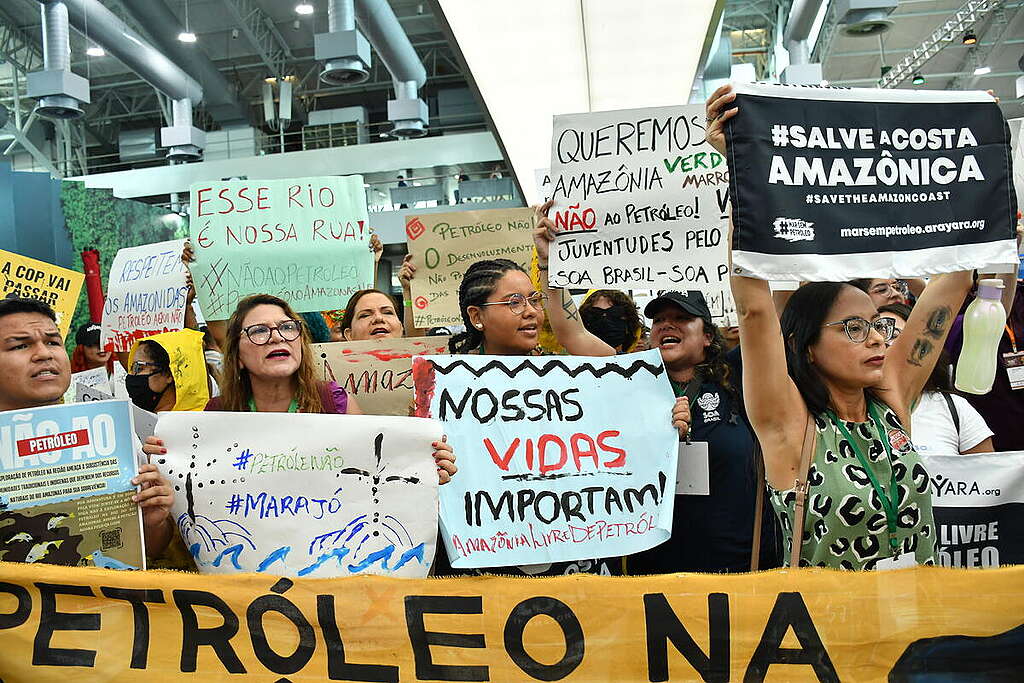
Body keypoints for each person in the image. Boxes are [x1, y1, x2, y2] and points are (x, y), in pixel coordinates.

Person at [708, 82, 973, 569]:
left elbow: (953, 285)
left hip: (922, 628)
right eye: (852, 328)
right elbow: (755, 309)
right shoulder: (788, 423)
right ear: (807, 347)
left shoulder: (891, 403)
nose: (876, 337)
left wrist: (970, 140)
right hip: (832, 638)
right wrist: (740, 169)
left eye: (875, 324)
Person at [0, 297, 175, 559]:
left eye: (52, 342)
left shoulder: (116, 438)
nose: (44, 353)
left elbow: (148, 550)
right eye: (21, 345)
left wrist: (153, 521)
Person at [626, 291, 780, 573]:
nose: (667, 325)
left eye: (682, 318)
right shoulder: (630, 387)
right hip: (655, 572)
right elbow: (574, 337)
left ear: (708, 336)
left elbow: (764, 316)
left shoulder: (737, 376)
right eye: (659, 320)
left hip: (739, 567)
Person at [879, 303, 994, 455]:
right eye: (876, 334)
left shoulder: (954, 407)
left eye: (893, 335)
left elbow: (987, 473)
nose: (882, 343)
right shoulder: (850, 412)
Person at [125, 329, 211, 413]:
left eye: (139, 368)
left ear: (169, 374)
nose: (132, 376)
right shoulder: (139, 421)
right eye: (132, 368)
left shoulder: (201, 423)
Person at [578, 289, 643, 353]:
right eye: (595, 314)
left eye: (615, 313)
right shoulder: (573, 362)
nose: (605, 321)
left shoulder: (641, 361)